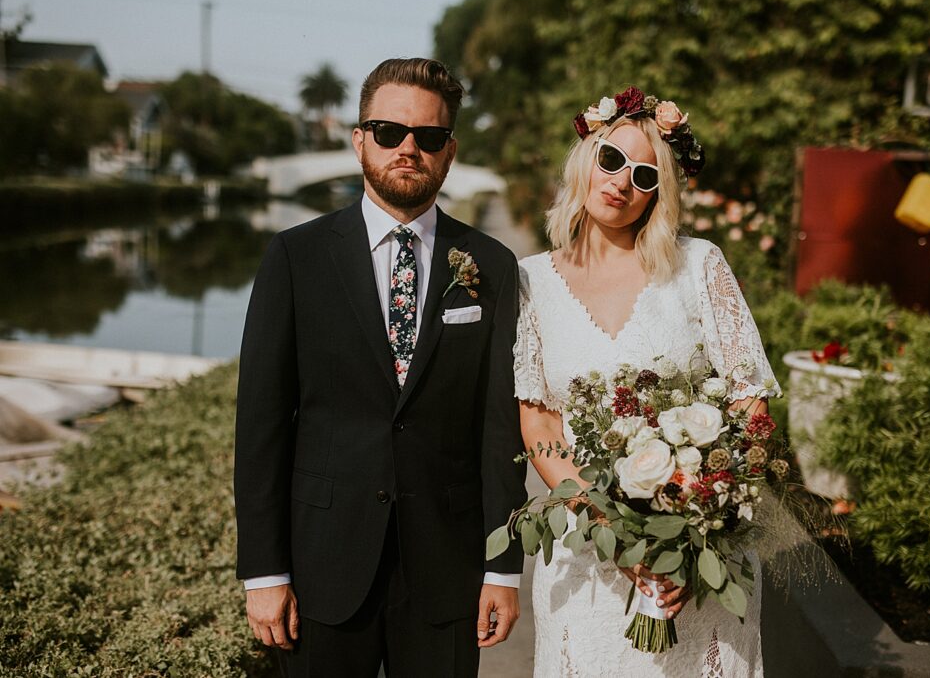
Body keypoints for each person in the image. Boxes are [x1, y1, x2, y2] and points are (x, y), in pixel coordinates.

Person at [234, 57, 527, 677]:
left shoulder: (493, 266)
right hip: (322, 572)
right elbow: (261, 426)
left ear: (450, 152)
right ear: (359, 139)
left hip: (448, 576)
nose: (408, 148)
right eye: (391, 132)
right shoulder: (294, 258)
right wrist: (264, 571)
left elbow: (500, 430)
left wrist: (503, 567)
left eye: (430, 136)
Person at [514, 88, 780, 676]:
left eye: (644, 175)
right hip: (587, 551)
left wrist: (699, 518)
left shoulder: (699, 265)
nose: (621, 182)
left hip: (695, 552)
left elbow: (749, 399)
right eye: (612, 161)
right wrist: (611, 524)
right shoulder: (531, 282)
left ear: (659, 195)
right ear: (586, 159)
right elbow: (539, 421)